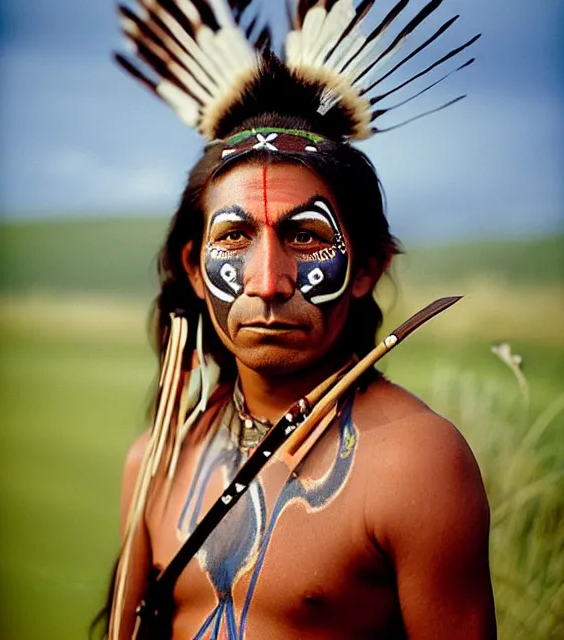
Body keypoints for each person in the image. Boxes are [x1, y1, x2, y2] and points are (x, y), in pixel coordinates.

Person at [101, 1, 496, 638]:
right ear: (195, 269)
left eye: (306, 238)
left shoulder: (417, 463)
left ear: (366, 266)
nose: (268, 282)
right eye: (234, 238)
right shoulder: (156, 460)